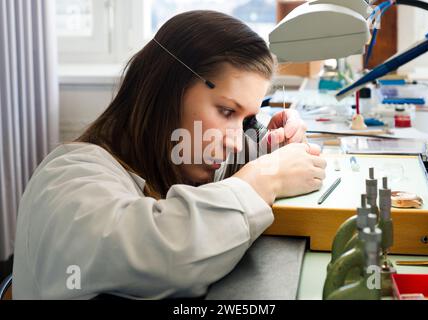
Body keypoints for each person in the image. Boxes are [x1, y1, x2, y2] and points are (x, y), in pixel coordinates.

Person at [12, 10, 326, 299]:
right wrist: (267, 176)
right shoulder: (66, 180)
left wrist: (273, 147)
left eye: (244, 120)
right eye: (227, 111)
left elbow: (230, 172)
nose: (234, 140)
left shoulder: (174, 158)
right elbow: (166, 253)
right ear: (166, 93)